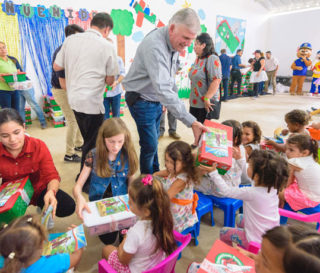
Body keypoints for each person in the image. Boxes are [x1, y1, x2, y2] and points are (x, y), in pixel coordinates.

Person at [122, 8, 207, 174]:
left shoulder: (174, 43)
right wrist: (191, 121)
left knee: (152, 143)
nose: (188, 44)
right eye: (186, 38)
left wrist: (164, 101)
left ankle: (155, 174)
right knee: (150, 145)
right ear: (172, 28)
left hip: (155, 99)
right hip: (140, 99)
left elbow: (168, 80)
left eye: (192, 39)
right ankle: (147, 182)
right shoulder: (155, 46)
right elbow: (163, 88)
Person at [53, 13, 119, 191]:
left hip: (74, 100)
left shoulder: (70, 41)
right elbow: (110, 80)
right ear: (106, 29)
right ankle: (86, 181)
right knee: (93, 144)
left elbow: (56, 66)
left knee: (87, 139)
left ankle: (85, 175)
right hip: (91, 103)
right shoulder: (106, 46)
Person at [200, 150, 289, 248]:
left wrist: (214, 173)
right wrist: (240, 159)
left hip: (254, 240)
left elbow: (226, 191)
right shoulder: (272, 186)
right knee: (239, 217)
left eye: (250, 165)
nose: (247, 166)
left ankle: (231, 253)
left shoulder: (251, 192)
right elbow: (249, 173)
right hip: (270, 233)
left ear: (257, 176)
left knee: (224, 231)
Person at [0, 108, 75, 219]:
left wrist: (51, 192)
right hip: (11, 194)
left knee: (67, 206)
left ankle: (42, 205)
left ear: (24, 128)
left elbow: (52, 175)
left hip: (38, 189)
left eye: (17, 132)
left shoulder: (38, 146)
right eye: (5, 136)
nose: (12, 139)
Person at [73, 118, 138, 244]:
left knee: (126, 236)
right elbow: (78, 186)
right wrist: (79, 197)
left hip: (121, 203)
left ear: (126, 138)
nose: (116, 146)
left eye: (120, 141)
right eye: (111, 142)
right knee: (108, 240)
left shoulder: (128, 154)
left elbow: (131, 181)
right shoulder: (93, 155)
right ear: (103, 139)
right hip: (100, 204)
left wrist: (132, 197)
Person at [102, 175, 176, 273]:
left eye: (131, 202)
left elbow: (123, 260)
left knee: (107, 249)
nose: (128, 202)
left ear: (146, 211)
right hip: (156, 266)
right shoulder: (165, 220)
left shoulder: (136, 232)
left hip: (137, 270)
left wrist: (123, 241)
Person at [0, 215, 83, 273]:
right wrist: (78, 239)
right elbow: (76, 257)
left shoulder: (7, 262)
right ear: (41, 246)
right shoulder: (54, 263)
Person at [51, 24, 84, 163]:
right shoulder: (62, 53)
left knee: (77, 119)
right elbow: (63, 83)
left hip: (69, 89)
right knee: (72, 121)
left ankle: (78, 144)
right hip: (62, 90)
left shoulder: (72, 50)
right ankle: (69, 154)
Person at [154, 141, 200, 232]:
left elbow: (165, 199)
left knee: (154, 216)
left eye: (172, 162)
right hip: (173, 201)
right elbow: (167, 171)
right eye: (167, 161)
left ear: (184, 163)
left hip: (178, 214)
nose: (168, 165)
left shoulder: (181, 181)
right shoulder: (175, 169)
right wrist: (154, 174)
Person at [196, 120, 246, 195]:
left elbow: (208, 171)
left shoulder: (221, 151)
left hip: (219, 190)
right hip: (234, 186)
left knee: (189, 179)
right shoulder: (241, 149)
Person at [279, 134, 320, 214]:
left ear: (304, 152)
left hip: (310, 198)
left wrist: (282, 194)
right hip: (316, 195)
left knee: (276, 191)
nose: (287, 152)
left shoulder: (294, 162)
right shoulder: (310, 158)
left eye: (291, 150)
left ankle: (280, 217)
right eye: (287, 149)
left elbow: (288, 181)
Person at [188, 32, 222, 125]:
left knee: (204, 128)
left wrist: (207, 98)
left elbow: (216, 80)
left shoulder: (212, 58)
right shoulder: (198, 59)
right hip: (195, 100)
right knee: (196, 125)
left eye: (196, 44)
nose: (194, 47)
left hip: (206, 102)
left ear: (203, 45)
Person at [104, 38, 126, 119]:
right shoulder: (100, 60)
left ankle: (116, 131)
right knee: (105, 118)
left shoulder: (118, 59)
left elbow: (123, 74)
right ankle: (106, 131)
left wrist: (116, 82)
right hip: (103, 94)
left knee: (116, 116)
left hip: (116, 93)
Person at [0, 42, 20, 112]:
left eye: (4, 47)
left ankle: (16, 123)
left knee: (16, 111)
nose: (2, 50)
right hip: (3, 91)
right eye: (0, 48)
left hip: (15, 89)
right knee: (7, 113)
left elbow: (18, 71)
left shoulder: (12, 60)